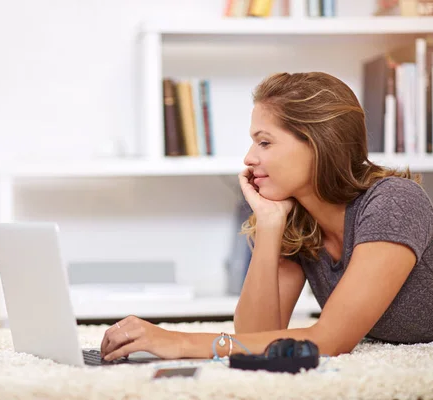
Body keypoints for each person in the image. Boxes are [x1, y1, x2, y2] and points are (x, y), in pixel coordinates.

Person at [99, 71, 433, 361]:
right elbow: (257, 334)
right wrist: (270, 226)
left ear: (318, 144)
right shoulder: (300, 221)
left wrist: (181, 341)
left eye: (265, 143)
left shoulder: (394, 202)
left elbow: (332, 340)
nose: (248, 158)